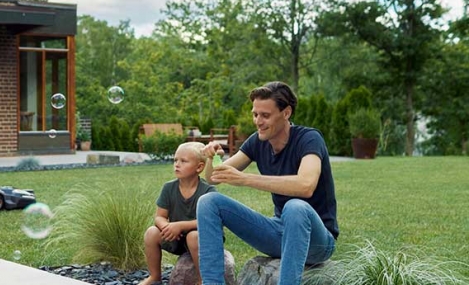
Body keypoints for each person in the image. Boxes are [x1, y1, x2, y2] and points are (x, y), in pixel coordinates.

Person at [197, 81, 338, 285]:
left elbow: (306, 186)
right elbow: (213, 177)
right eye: (255, 114)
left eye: (265, 115)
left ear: (286, 113)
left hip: (317, 242)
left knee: (295, 207)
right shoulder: (257, 141)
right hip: (279, 234)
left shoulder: (309, 138)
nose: (258, 121)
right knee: (208, 201)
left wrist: (246, 179)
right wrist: (212, 158)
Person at [139, 142, 218, 285]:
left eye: (183, 161)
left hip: (202, 240)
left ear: (199, 167)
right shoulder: (169, 188)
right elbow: (159, 216)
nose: (177, 164)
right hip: (177, 237)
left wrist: (180, 226)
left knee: (193, 236)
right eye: (175, 160)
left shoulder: (207, 191)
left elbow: (210, 221)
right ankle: (155, 277)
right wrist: (167, 227)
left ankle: (203, 280)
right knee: (151, 232)